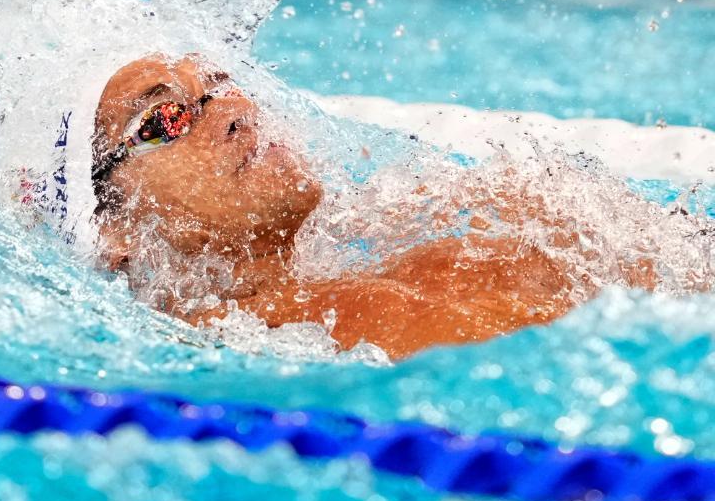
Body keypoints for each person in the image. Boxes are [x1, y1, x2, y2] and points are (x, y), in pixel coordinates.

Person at [88, 53, 647, 359]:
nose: (236, 106)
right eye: (166, 119)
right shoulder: (239, 341)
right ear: (118, 232)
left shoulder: (428, 262)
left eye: (219, 84)